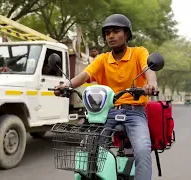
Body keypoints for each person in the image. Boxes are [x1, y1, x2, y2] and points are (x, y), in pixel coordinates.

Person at [54, 14, 158, 180]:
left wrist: (151, 84)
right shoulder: (102, 59)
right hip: (106, 113)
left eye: (116, 31)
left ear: (127, 35)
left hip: (134, 112)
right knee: (92, 148)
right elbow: (85, 75)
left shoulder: (139, 52)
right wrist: (68, 85)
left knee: (143, 148)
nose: (110, 36)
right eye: (107, 33)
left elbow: (149, 68)